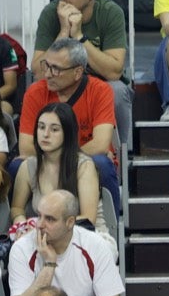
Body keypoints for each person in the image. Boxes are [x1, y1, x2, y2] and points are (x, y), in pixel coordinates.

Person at [31, 0, 132, 142]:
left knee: (116, 90)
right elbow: (38, 72)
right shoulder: (50, 13)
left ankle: (122, 152)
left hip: (99, 82)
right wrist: (64, 31)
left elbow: (114, 72)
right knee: (36, 89)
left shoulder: (110, 13)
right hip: (62, 80)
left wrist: (79, 36)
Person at [17, 39, 119, 201]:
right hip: (48, 163)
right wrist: (59, 162)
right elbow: (26, 148)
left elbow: (100, 145)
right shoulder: (35, 92)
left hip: (85, 161)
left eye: (56, 69)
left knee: (102, 163)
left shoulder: (100, 90)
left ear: (78, 72)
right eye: (46, 65)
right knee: (17, 166)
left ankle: (110, 218)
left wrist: (59, 159)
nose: (47, 74)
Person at [10, 103, 105, 239]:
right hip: (43, 235)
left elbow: (88, 218)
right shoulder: (28, 166)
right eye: (41, 127)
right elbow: (16, 208)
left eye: (54, 129)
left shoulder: (84, 166)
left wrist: (45, 230)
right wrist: (21, 223)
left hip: (86, 235)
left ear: (68, 133)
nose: (45, 134)